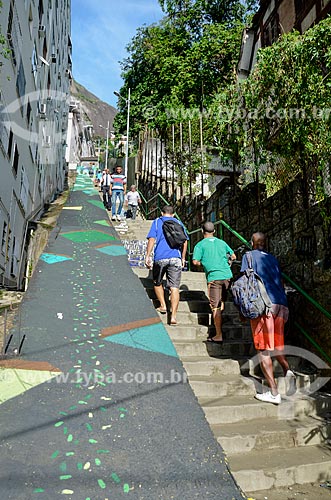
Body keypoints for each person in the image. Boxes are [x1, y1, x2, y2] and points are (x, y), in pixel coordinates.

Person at [240, 232, 296, 405]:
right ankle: (288, 370)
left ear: (252, 242)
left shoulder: (248, 256)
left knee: (263, 349)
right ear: (265, 243)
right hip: (281, 304)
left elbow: (246, 280)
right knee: (277, 344)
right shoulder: (272, 259)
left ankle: (273, 392)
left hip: (264, 306)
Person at [192, 222, 236, 344]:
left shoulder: (200, 245)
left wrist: (205, 263)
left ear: (202, 231)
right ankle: (221, 320)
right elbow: (233, 256)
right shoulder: (222, 242)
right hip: (227, 276)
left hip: (214, 278)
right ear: (214, 231)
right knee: (222, 301)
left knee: (215, 307)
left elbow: (195, 261)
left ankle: (218, 335)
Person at [145, 205, 188, 326]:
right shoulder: (179, 223)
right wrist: (183, 257)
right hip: (176, 258)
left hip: (160, 257)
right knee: (174, 287)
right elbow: (185, 241)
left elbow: (152, 239)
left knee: (157, 282)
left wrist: (148, 255)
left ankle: (163, 305)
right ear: (173, 214)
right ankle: (173, 316)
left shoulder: (157, 222)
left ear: (161, 212)